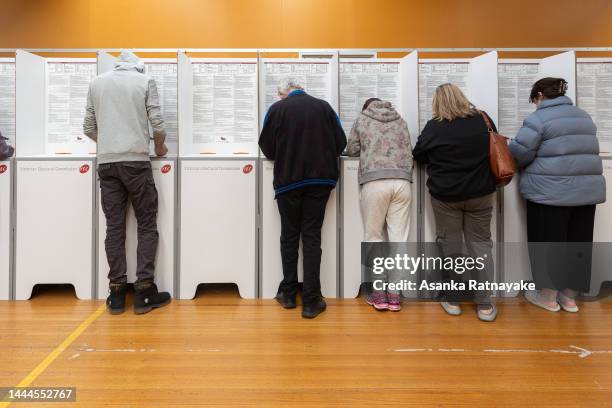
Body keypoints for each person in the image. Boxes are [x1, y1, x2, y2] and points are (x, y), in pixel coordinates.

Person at [83, 50, 171, 315]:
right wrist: (160, 148)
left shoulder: (96, 82)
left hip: (107, 164)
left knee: (114, 227)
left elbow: (88, 127)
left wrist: (110, 144)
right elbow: (158, 125)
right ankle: (144, 291)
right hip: (136, 162)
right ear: (138, 67)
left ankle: (117, 293)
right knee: (146, 223)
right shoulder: (145, 81)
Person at [510, 77, 605, 313]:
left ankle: (548, 297)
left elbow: (520, 154)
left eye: (534, 99)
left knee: (547, 243)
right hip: (586, 194)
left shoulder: (538, 119)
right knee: (579, 244)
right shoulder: (583, 116)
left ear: (540, 96)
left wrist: (509, 145)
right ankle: (570, 298)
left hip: (550, 193)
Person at [259, 77, 347, 319]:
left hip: (289, 182)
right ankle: (311, 301)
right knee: (311, 237)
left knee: (289, 236)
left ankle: (288, 295)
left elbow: (267, 148)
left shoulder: (277, 109)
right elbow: (341, 143)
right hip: (321, 182)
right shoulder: (325, 107)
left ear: (283, 93)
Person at [412, 83, 497, 322]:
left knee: (450, 248)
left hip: (446, 196)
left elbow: (418, 154)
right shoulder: (482, 120)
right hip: (480, 195)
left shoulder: (434, 127)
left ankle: (452, 299)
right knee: (481, 247)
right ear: (462, 98)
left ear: (437, 103)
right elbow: (494, 145)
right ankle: (485, 305)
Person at [346, 98, 413, 312]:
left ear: (366, 107)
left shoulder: (362, 119)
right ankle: (394, 295)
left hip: (375, 182)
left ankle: (378, 294)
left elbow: (351, 149)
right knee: (399, 240)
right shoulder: (400, 120)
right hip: (402, 183)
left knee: (374, 237)